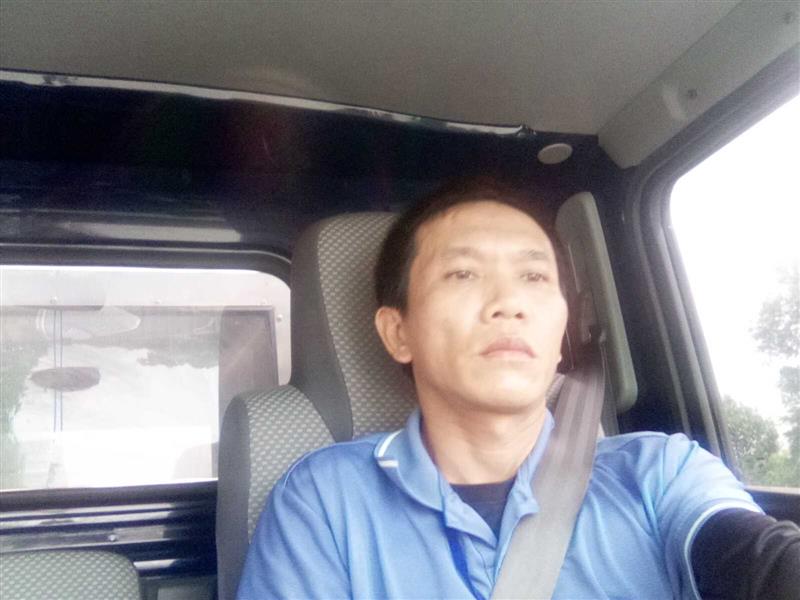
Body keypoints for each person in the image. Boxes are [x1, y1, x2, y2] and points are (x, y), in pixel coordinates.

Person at [238, 179, 799, 599]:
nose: (510, 302)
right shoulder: (322, 500)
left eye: (534, 277)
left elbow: (765, 562)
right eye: (463, 273)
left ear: (561, 332)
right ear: (398, 332)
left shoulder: (660, 473)